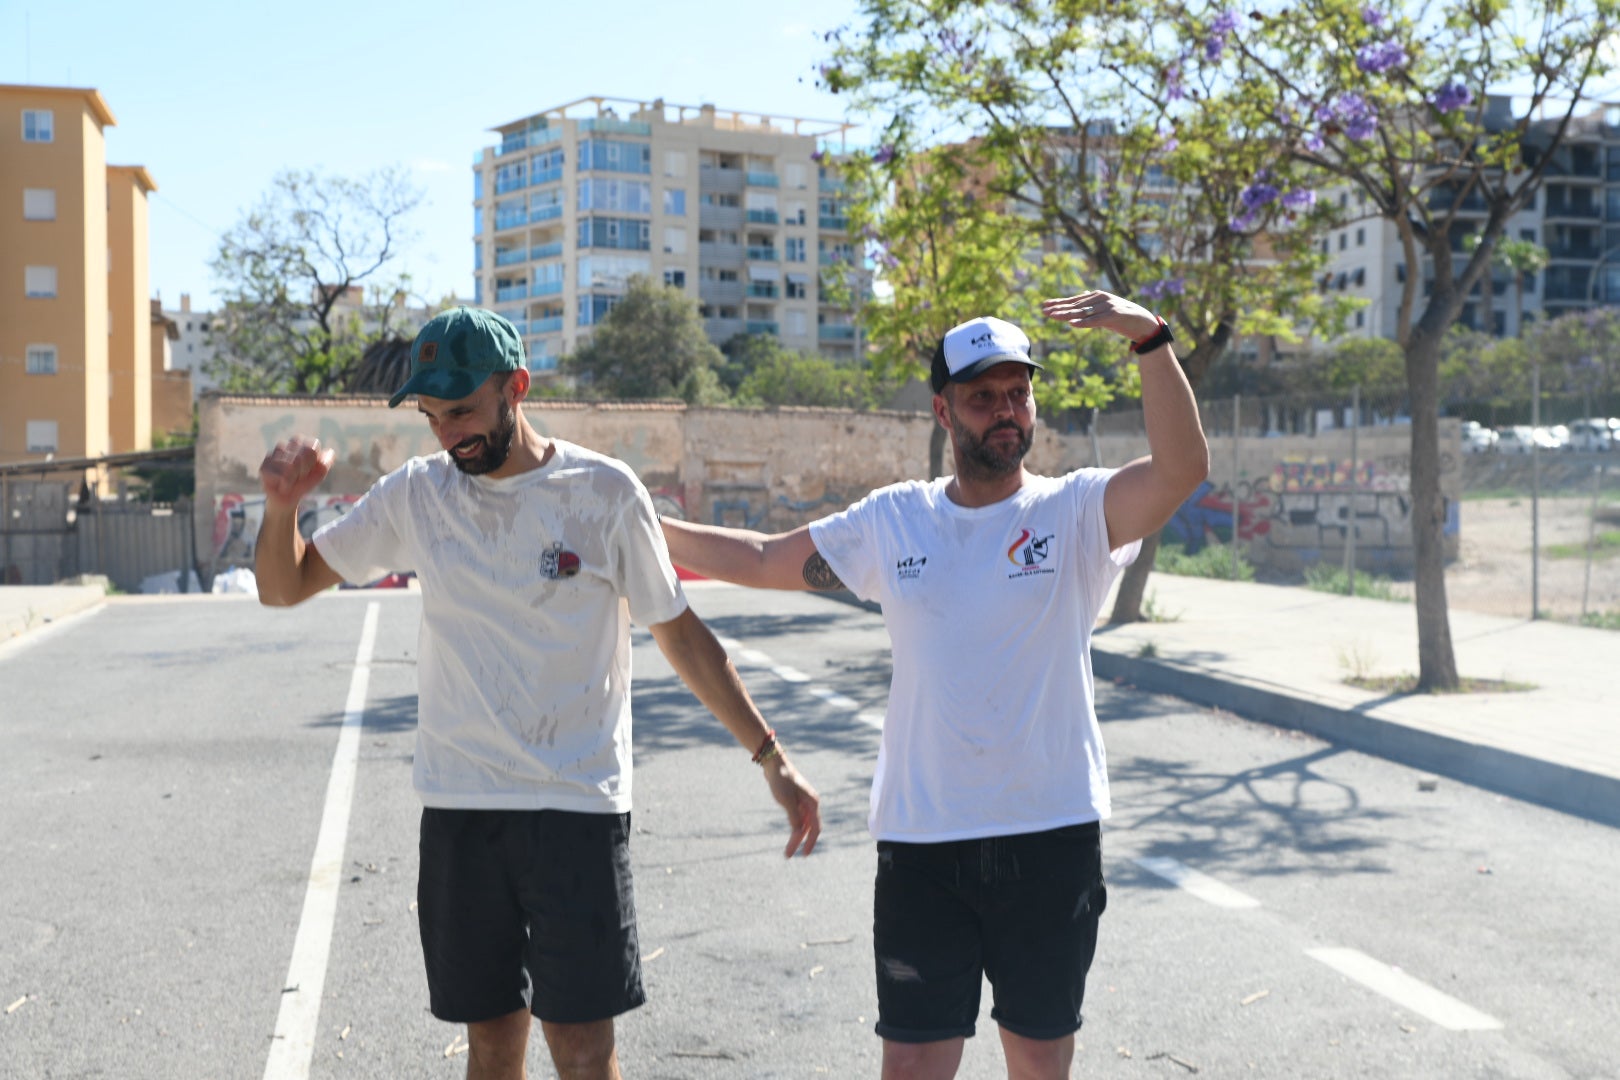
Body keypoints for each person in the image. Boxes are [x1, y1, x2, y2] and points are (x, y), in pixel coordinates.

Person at [254, 306, 821, 1080]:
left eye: (461, 410)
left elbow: (682, 635)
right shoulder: (417, 495)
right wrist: (281, 506)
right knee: (490, 1043)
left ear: (515, 387)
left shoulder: (602, 492)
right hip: (460, 810)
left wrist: (771, 759)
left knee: (584, 1051)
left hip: (576, 810)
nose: (449, 433)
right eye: (432, 415)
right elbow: (284, 587)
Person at [658, 291, 1208, 1080]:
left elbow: (1184, 469)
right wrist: (640, 524)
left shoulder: (1076, 510)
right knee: (912, 1066)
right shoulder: (895, 522)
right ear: (944, 412)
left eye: (1018, 392)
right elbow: (759, 558)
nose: (1005, 411)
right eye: (982, 397)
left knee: (1039, 1063)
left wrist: (1150, 339)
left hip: (1048, 835)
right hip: (924, 843)